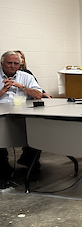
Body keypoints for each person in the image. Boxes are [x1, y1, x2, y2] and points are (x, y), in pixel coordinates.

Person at [1, 51, 43, 181]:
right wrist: (2, 91)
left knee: (39, 130)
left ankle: (29, 160)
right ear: (2, 63)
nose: (13, 66)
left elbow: (38, 95)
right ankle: (3, 168)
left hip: (22, 112)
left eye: (16, 63)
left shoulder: (26, 77)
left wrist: (22, 87)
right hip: (2, 114)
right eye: (9, 63)